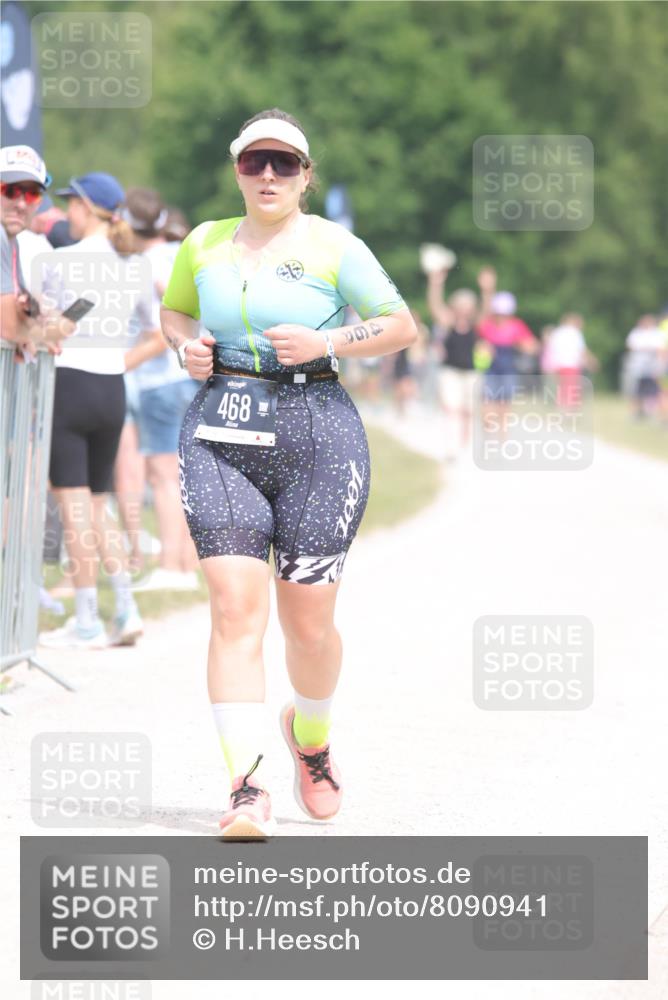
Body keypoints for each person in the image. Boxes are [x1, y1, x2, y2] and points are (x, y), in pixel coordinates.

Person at [160, 108, 416, 838]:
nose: (267, 176)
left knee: (309, 627)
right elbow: (174, 314)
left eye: (283, 164)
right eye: (253, 163)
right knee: (235, 610)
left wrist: (328, 338)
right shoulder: (203, 241)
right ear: (237, 170)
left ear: (306, 175)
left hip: (319, 437)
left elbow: (401, 325)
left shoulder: (336, 245)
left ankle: (311, 736)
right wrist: (186, 349)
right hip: (219, 431)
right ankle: (245, 787)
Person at [38, 173, 155, 650]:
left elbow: (49, 329)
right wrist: (117, 362)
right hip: (112, 387)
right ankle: (124, 606)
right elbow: (155, 334)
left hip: (70, 386)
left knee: (74, 511)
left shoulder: (60, 259)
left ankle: (87, 618)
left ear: (88, 208)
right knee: (96, 506)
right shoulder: (136, 264)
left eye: (71, 203)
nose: (68, 211)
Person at [117, 189, 200, 591]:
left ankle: (172, 566)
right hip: (192, 375)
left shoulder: (142, 265)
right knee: (186, 475)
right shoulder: (184, 252)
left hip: (159, 379)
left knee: (164, 477)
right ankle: (188, 561)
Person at [0, 145, 70, 359]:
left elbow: (18, 307)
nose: (21, 204)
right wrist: (38, 336)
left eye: (32, 195)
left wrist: (33, 317)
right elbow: (8, 326)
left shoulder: (12, 242)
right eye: (10, 191)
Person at [476, 268, 538, 434]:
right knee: (487, 407)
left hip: (508, 368)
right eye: (499, 313)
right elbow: (479, 333)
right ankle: (489, 436)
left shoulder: (517, 326)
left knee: (504, 406)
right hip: (490, 369)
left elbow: (532, 345)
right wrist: (487, 290)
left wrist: (521, 345)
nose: (502, 317)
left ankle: (502, 440)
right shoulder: (487, 325)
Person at [426, 267, 480, 457]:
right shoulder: (448, 322)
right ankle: (452, 446)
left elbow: (488, 311)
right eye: (461, 305)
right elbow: (434, 306)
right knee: (451, 408)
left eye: (467, 305)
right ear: (455, 306)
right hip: (449, 371)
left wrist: (488, 290)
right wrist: (435, 283)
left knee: (468, 410)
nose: (464, 309)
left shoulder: (476, 324)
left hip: (471, 372)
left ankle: (465, 444)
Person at [543, 313, 598, 409]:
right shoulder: (574, 333)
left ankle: (562, 408)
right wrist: (591, 361)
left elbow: (551, 349)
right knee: (571, 389)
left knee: (562, 388)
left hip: (557, 365)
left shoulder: (557, 332)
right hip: (570, 364)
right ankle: (568, 411)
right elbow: (581, 350)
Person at [625, 314, 665, 420]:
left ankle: (658, 414)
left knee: (656, 391)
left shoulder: (657, 334)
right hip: (638, 367)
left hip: (653, 368)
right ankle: (635, 413)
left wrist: (659, 366)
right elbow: (632, 346)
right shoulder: (636, 333)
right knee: (636, 391)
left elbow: (660, 350)